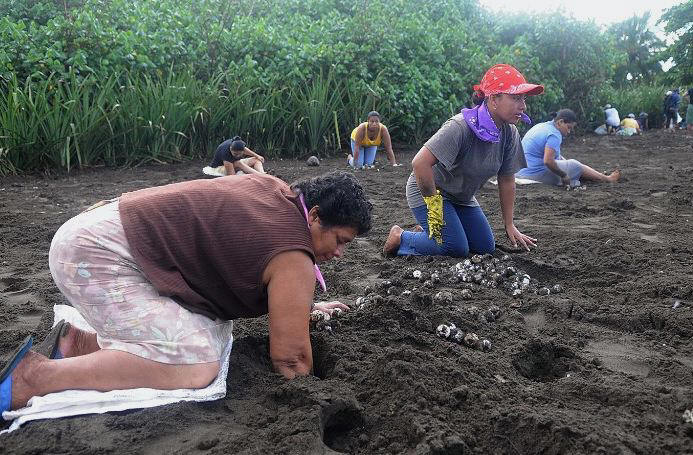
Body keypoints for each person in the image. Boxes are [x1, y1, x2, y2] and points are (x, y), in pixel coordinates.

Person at [0, 171, 372, 412]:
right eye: (340, 241)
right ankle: (37, 378)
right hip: (95, 256)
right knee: (197, 362)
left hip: (97, 233)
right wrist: (316, 400)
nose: (338, 253)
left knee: (208, 329)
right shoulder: (293, 254)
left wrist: (300, 304)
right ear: (315, 215)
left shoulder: (277, 192)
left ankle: (80, 344)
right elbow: (290, 360)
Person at [383, 63, 540, 258]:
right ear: (493, 99)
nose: (523, 106)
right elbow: (419, 163)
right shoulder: (460, 127)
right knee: (455, 248)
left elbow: (507, 179)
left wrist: (509, 224)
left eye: (523, 99)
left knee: (485, 247)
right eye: (515, 98)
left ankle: (429, 234)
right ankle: (402, 237)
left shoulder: (510, 133)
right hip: (429, 191)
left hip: (462, 198)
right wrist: (434, 207)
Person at [515, 109, 621, 187]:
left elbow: (556, 157)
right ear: (560, 122)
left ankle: (597, 175)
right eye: (569, 128)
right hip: (532, 173)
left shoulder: (542, 126)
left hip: (519, 171)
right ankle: (607, 179)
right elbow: (548, 161)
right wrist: (564, 174)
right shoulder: (554, 134)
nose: (569, 132)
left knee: (568, 163)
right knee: (575, 165)